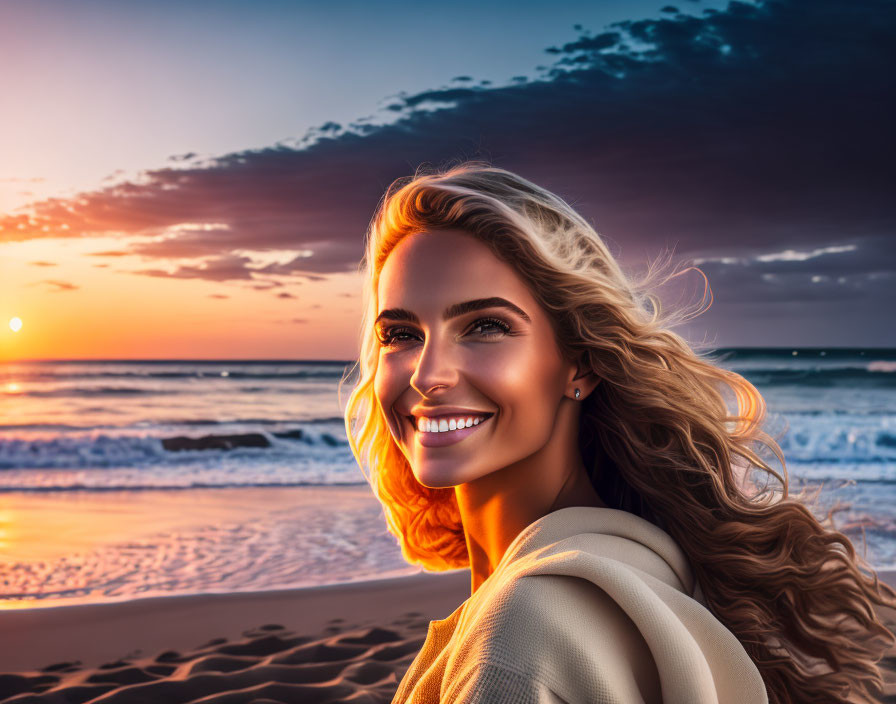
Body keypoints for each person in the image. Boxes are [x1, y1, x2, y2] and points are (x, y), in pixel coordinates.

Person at [339, 161, 896, 703]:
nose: (428, 373)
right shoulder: (644, 562)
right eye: (400, 334)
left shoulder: (518, 639)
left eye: (486, 326)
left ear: (579, 364)